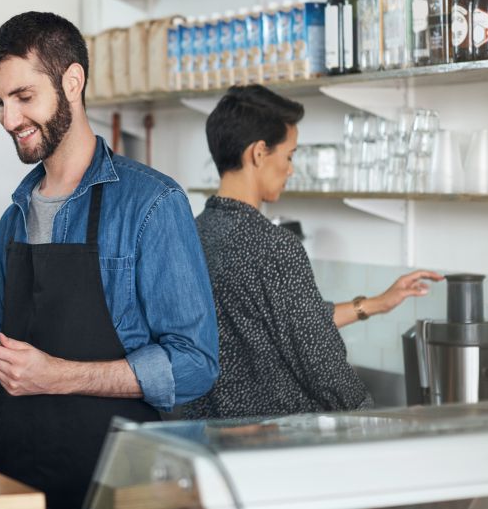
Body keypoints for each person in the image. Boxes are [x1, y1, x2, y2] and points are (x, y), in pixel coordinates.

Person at [0, 11, 218, 509]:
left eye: (24, 97)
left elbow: (195, 365)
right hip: (15, 477)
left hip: (118, 483)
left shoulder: (151, 204)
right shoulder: (15, 216)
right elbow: (13, 370)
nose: (9, 119)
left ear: (72, 81)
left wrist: (60, 376)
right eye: (0, 102)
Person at [182, 85, 442, 420]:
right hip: (272, 441)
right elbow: (320, 361)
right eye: (289, 155)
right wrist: (372, 421)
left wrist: (376, 304)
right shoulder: (274, 247)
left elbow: (287, 320)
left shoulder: (191, 234)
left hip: (207, 435)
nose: (291, 169)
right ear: (259, 153)